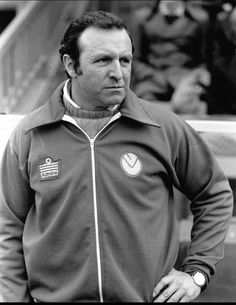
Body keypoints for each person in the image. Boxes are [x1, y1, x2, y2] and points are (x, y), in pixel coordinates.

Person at [0, 11, 233, 302]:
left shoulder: (164, 127)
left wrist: (196, 272)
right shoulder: (29, 135)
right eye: (103, 60)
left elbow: (215, 194)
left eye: (125, 60)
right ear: (71, 65)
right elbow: (9, 229)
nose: (118, 72)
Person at [131, 0, 210, 108]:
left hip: (185, 78)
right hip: (152, 78)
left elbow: (204, 58)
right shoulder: (143, 18)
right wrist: (150, 75)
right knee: (145, 109)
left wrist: (194, 78)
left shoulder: (199, 19)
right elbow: (136, 58)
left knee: (190, 106)